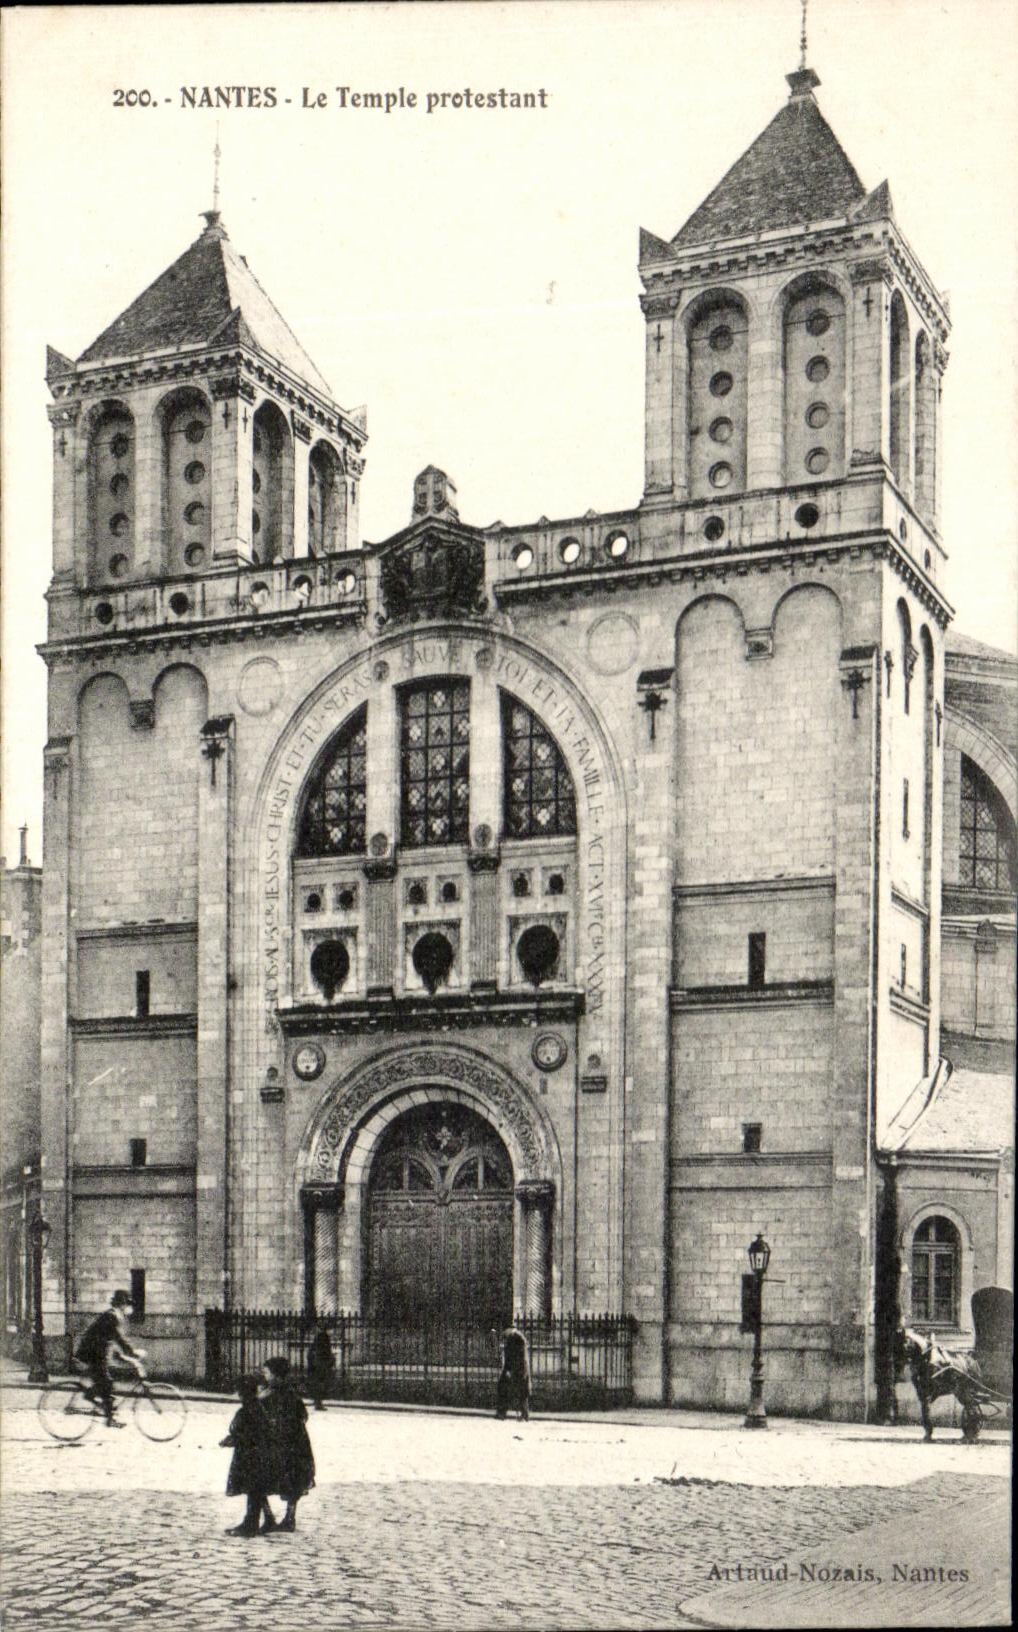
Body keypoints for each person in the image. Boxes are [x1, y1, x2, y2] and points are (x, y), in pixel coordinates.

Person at [74, 1289, 145, 1427]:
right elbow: (119, 1338)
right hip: (93, 1353)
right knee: (106, 1383)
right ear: (122, 1304)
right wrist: (132, 1352)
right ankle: (109, 1418)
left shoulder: (113, 1315)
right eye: (127, 1304)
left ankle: (93, 1397)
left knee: (105, 1383)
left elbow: (110, 1339)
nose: (128, 1308)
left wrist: (124, 1356)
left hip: (99, 1352)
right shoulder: (113, 1316)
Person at [261, 1355, 315, 1531]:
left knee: (257, 1478)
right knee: (293, 1481)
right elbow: (303, 1416)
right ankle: (289, 1517)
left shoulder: (268, 1395)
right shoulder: (292, 1393)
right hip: (296, 1444)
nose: (265, 1376)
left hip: (276, 1444)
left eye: (267, 1373)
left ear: (275, 1374)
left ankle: (269, 1516)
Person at [220, 1375, 276, 1538]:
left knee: (253, 1489)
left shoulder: (248, 1410)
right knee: (255, 1490)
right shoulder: (255, 1407)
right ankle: (264, 1518)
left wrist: (232, 1440)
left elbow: (249, 1434)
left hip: (252, 1456)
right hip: (256, 1454)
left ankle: (251, 1523)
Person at [495, 1320, 531, 1422]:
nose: (504, 1333)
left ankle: (504, 1413)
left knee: (514, 1392)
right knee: (516, 1392)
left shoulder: (515, 1338)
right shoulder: (514, 1337)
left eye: (505, 1331)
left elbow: (517, 1357)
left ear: (509, 1330)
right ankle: (505, 1413)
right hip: (515, 1370)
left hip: (517, 1371)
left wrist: (510, 1370)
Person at [306, 1325, 335, 1411]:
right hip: (321, 1365)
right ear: (328, 1329)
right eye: (332, 1330)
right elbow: (323, 1352)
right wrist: (331, 1358)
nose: (333, 1332)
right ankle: (318, 1404)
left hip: (318, 1364)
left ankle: (317, 1403)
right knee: (320, 1384)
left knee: (318, 1384)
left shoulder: (321, 1336)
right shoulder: (323, 1337)